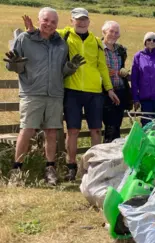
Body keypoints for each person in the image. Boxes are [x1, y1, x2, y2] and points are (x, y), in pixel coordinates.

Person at [5, 7, 83, 185]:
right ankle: (16, 171)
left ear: (57, 25)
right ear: (39, 20)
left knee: (51, 132)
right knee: (27, 130)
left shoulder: (61, 44)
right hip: (32, 92)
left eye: (53, 22)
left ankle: (50, 170)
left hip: (54, 94)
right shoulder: (25, 39)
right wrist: (14, 64)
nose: (49, 24)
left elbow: (62, 72)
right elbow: (13, 66)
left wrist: (70, 68)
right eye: (46, 20)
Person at [131, 32, 155, 126]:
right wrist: (136, 98)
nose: (151, 42)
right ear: (144, 42)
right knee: (147, 126)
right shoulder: (138, 56)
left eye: (154, 40)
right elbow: (134, 79)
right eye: (149, 39)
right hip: (145, 99)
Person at [101, 20, 131, 143]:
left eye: (116, 32)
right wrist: (104, 73)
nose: (113, 35)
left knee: (116, 125)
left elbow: (121, 67)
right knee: (110, 127)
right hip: (104, 92)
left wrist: (123, 72)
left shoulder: (120, 50)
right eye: (111, 31)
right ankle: (107, 153)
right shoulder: (98, 49)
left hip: (120, 91)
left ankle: (113, 156)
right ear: (104, 32)